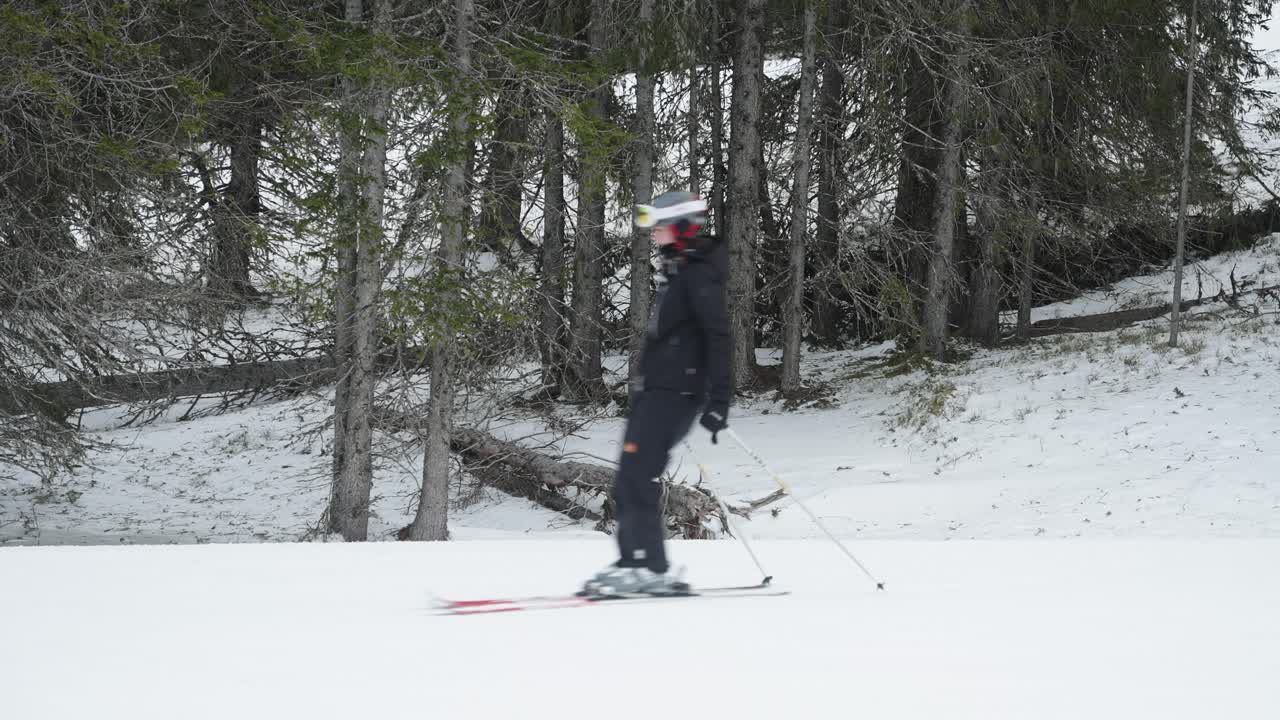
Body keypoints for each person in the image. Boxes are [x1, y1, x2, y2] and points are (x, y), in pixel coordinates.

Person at [581, 190, 733, 597]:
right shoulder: (678, 270)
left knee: (637, 476)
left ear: (682, 227)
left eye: (660, 224)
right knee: (629, 478)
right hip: (656, 393)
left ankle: (649, 568)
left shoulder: (698, 274)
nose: (652, 232)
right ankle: (636, 563)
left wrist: (720, 400)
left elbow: (719, 337)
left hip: (677, 393)